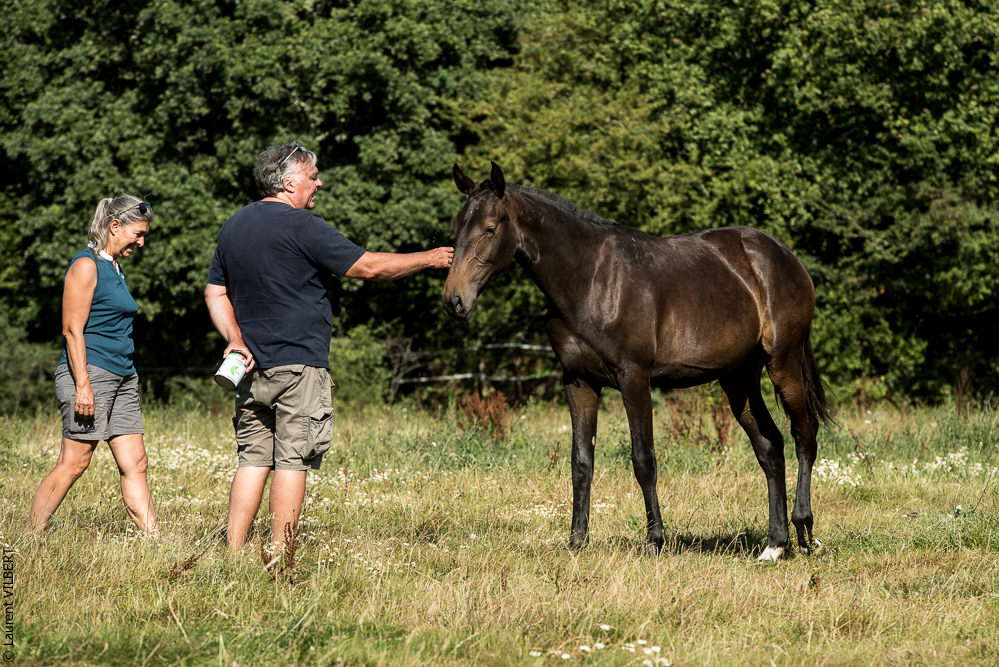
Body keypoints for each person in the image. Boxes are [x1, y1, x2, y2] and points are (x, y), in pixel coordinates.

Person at [206, 141, 453, 553]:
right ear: (288, 183)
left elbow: (215, 293)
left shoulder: (234, 225)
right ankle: (280, 556)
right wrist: (428, 259)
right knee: (292, 460)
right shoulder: (304, 225)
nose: (319, 183)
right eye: (312, 176)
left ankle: (232, 553)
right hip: (299, 367)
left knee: (252, 460)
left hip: (248, 367)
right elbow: (367, 267)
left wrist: (234, 339)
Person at [30, 196, 161, 536]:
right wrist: (83, 385)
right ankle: (26, 538)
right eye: (138, 233)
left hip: (123, 375)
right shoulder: (86, 265)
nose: (141, 241)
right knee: (75, 462)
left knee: (136, 463)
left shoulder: (114, 266)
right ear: (115, 226)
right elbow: (72, 329)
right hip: (91, 374)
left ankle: (156, 542)